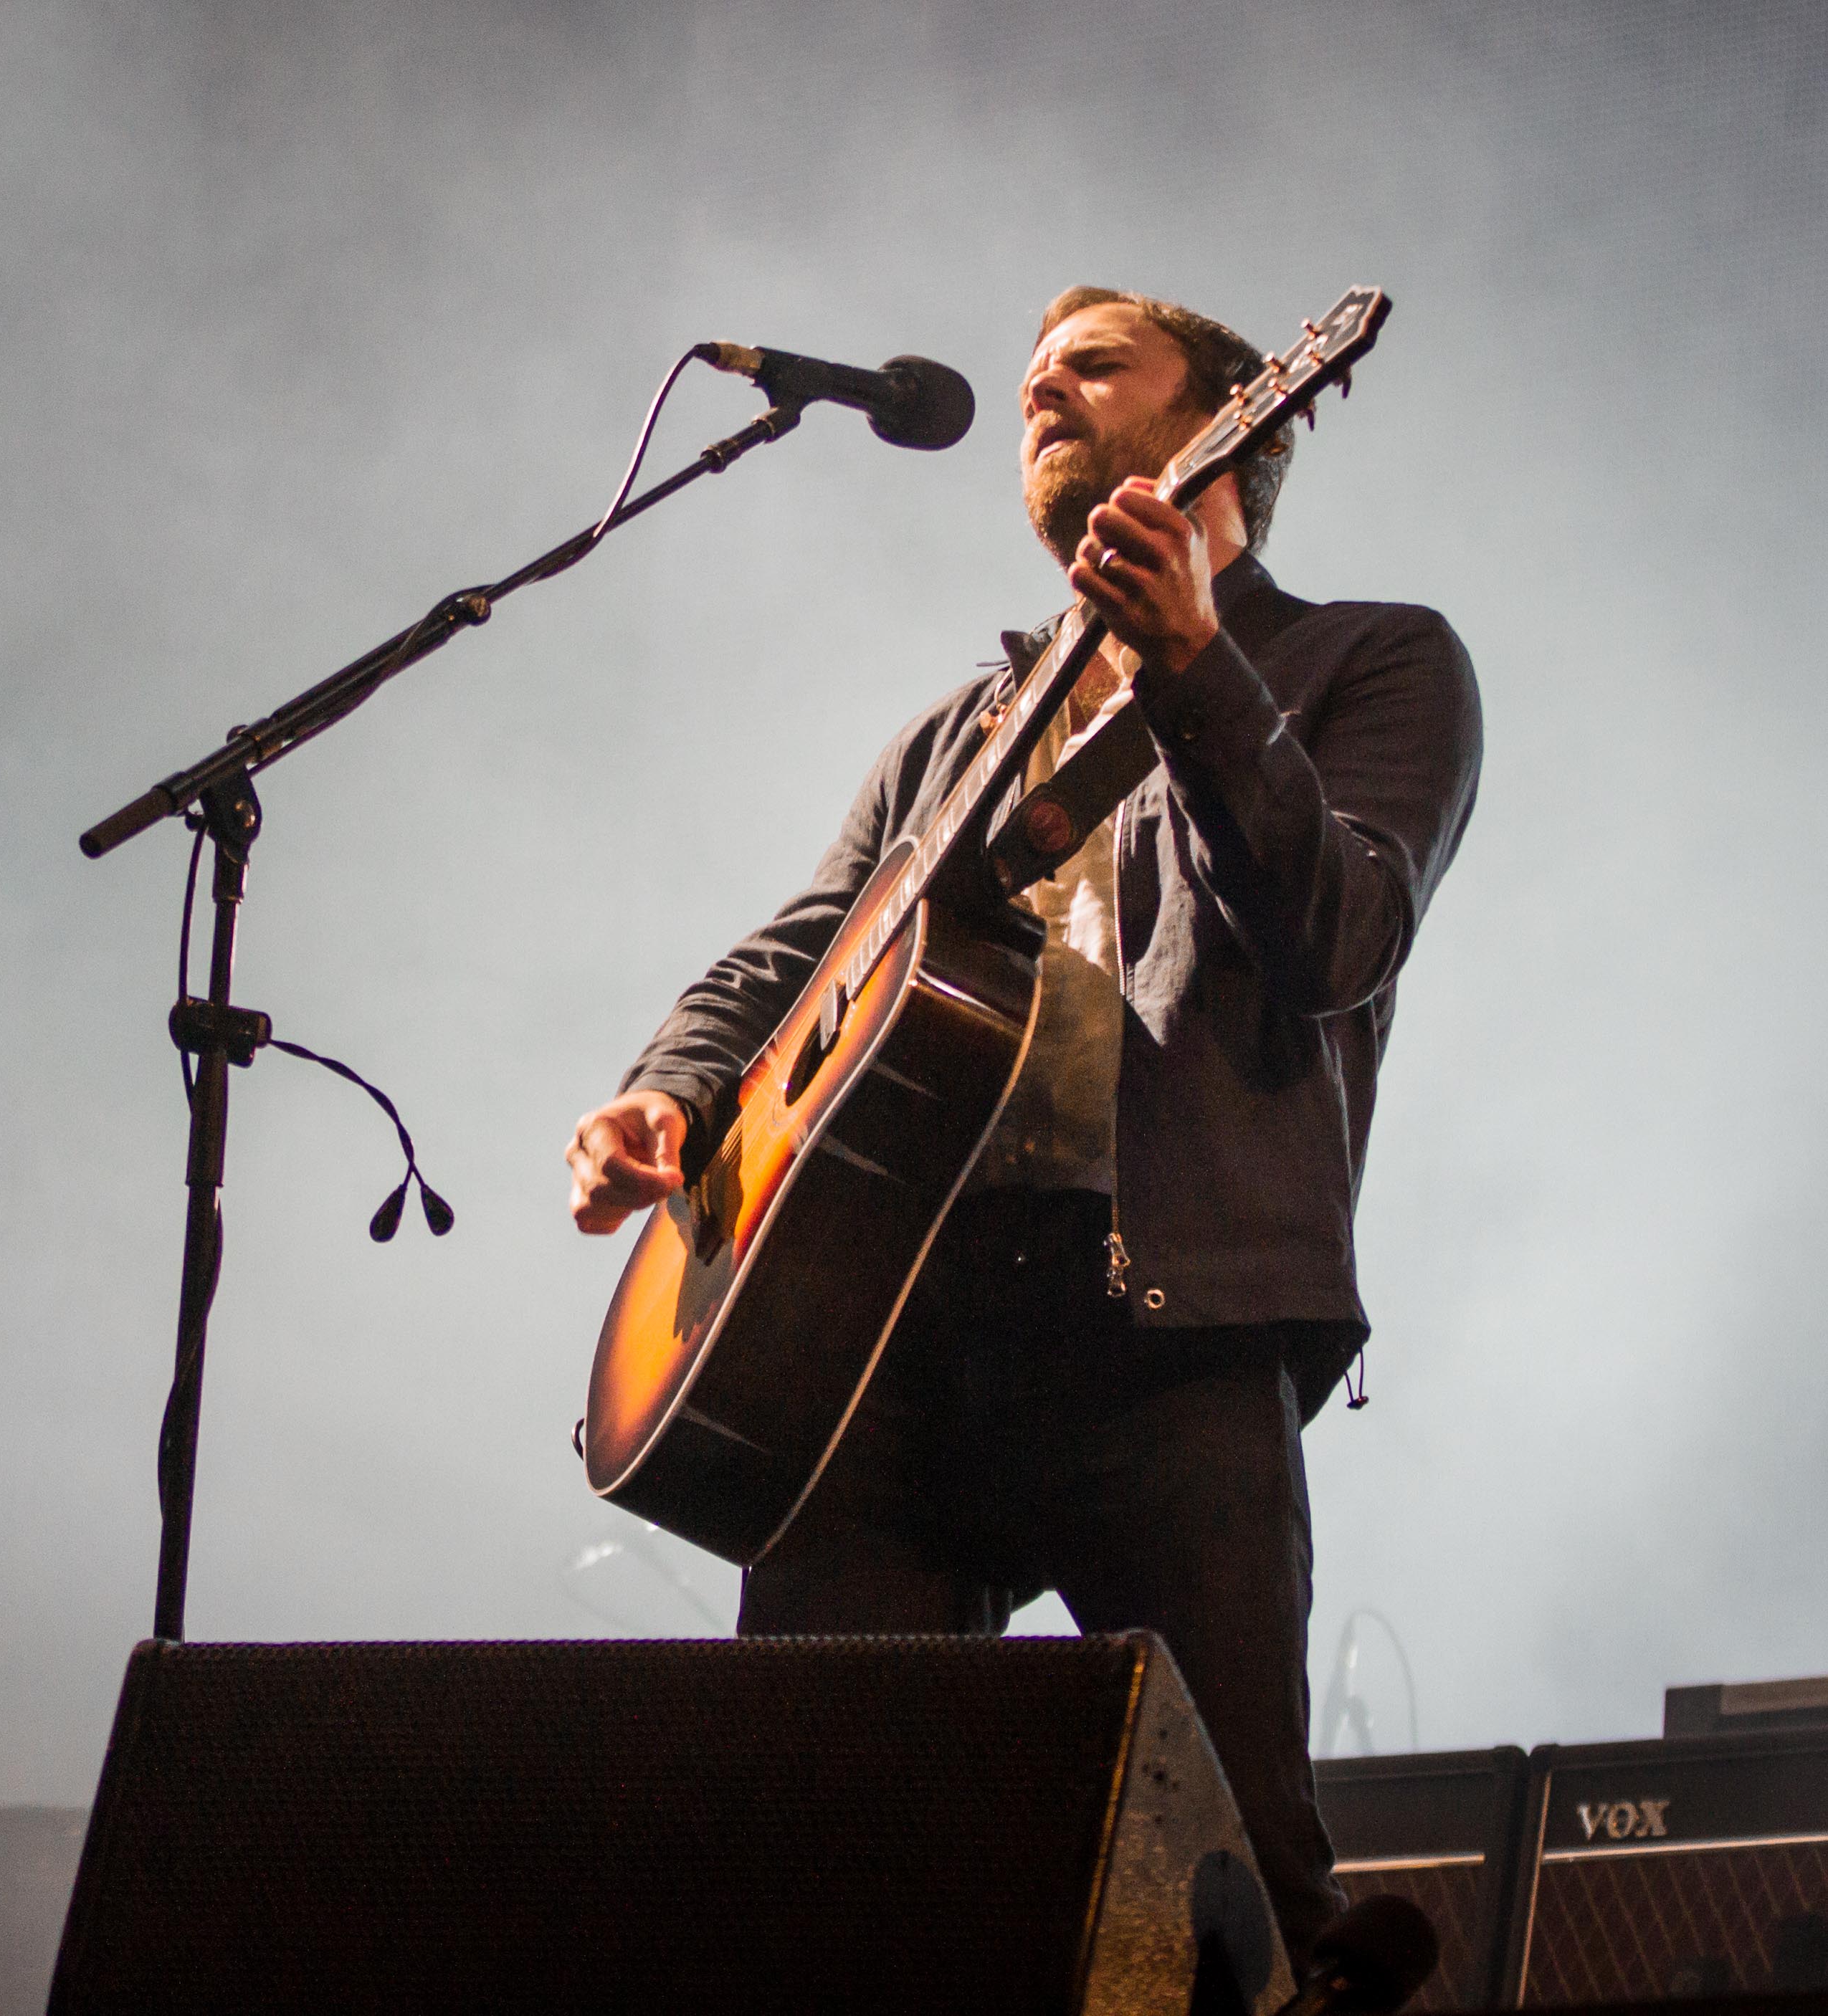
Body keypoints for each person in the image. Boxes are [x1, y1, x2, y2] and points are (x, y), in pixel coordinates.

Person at [563, 287, 1482, 1964]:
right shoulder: (953, 727)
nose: (1036, 386)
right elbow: (790, 948)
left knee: (1234, 1880)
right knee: (814, 1870)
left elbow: (1336, 932)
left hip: (1159, 1319)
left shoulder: (1369, 657)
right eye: (1030, 374)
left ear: (1232, 415)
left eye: (1090, 361)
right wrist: (673, 1086)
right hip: (880, 1340)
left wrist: (1198, 667)